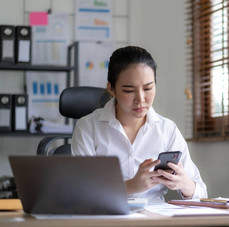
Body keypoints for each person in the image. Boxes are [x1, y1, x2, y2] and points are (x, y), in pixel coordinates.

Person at [71, 46, 207, 203]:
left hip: (155, 219)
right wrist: (130, 186)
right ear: (112, 89)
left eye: (148, 88)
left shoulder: (167, 129)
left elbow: (201, 193)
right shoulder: (88, 128)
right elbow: (81, 191)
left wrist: (184, 184)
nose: (141, 99)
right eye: (129, 91)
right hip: (106, 218)